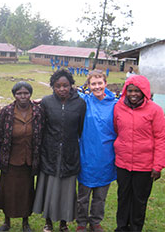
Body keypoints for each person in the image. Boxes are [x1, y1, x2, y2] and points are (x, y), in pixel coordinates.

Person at [33, 69, 86, 232]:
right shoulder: (47, 102)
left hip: (70, 153)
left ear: (71, 85)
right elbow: (41, 126)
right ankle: (48, 222)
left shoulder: (80, 104)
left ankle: (64, 223)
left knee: (66, 190)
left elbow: (80, 128)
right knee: (48, 188)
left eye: (65, 85)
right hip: (49, 152)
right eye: (58, 86)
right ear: (53, 87)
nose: (62, 89)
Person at [113, 75, 165, 232]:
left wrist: (158, 165)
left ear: (144, 92)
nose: (133, 94)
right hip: (123, 163)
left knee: (139, 200)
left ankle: (135, 228)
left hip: (144, 166)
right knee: (123, 198)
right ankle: (121, 227)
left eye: (137, 91)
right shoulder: (118, 107)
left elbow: (161, 138)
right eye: (130, 90)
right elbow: (117, 129)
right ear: (125, 91)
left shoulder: (155, 110)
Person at [0, 82, 43, 232]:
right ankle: (6, 222)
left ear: (30, 94)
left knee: (26, 192)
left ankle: (25, 222)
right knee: (8, 191)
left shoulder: (38, 111)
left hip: (29, 159)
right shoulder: (7, 111)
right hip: (10, 159)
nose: (23, 96)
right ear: (14, 95)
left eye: (26, 93)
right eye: (19, 94)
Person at [76, 70, 117, 232]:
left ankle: (95, 221)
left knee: (100, 196)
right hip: (86, 156)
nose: (97, 86)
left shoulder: (115, 104)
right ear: (88, 85)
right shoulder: (83, 101)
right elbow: (61, 95)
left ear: (105, 84)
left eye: (100, 83)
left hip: (106, 157)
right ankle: (81, 222)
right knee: (83, 196)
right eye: (93, 83)